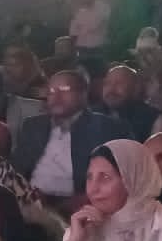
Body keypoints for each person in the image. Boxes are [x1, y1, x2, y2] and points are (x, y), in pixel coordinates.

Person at [12, 70, 131, 200]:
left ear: (83, 94)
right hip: (30, 199)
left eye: (65, 90)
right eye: (51, 92)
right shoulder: (33, 125)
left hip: (79, 202)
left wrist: (84, 200)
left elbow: (123, 177)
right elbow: (17, 168)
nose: (56, 97)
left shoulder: (107, 128)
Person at [92, 65, 162, 142]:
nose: (111, 89)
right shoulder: (91, 115)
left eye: (119, 83)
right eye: (107, 83)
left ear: (135, 88)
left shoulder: (155, 120)